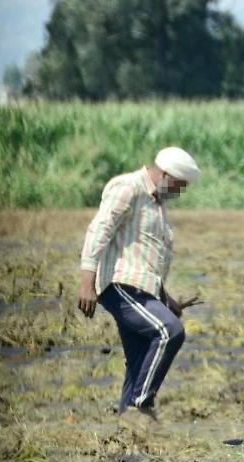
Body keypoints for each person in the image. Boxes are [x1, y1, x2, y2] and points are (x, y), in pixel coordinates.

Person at [77, 147, 203, 421]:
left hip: (141, 290)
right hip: (120, 284)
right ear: (167, 175)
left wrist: (167, 300)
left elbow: (144, 258)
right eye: (179, 186)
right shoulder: (129, 187)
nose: (179, 193)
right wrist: (87, 282)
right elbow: (99, 230)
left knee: (138, 362)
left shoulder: (157, 205)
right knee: (170, 332)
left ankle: (129, 439)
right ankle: (140, 405)